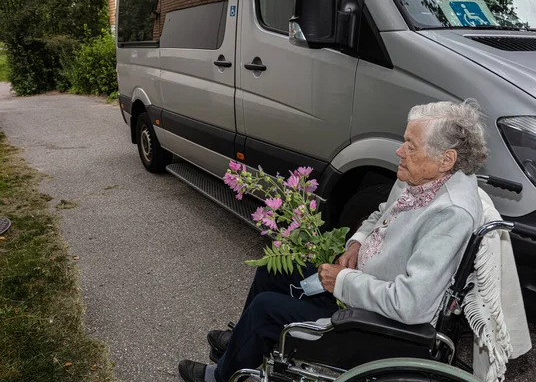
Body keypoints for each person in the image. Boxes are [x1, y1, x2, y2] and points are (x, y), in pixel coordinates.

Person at [178, 99, 488, 382]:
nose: (399, 152)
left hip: (378, 321)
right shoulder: (424, 176)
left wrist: (343, 281)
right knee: (271, 270)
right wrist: (357, 243)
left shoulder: (450, 214)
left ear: (446, 159)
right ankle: (240, 345)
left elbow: (411, 306)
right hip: (363, 283)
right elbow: (382, 213)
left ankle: (220, 376)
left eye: (410, 145)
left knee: (266, 309)